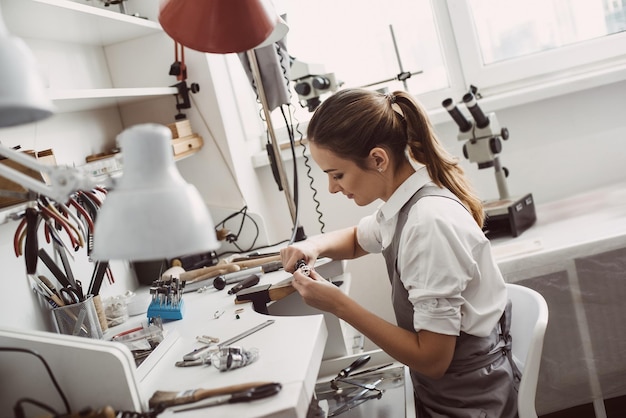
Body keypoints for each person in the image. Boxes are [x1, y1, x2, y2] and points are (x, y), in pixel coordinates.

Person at [280, 88, 520, 417]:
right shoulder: (405, 206)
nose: (332, 188)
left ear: (378, 159)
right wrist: (312, 245)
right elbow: (355, 239)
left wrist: (337, 304)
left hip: (470, 401)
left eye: (337, 175)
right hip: (448, 390)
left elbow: (433, 361)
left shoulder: (426, 225)